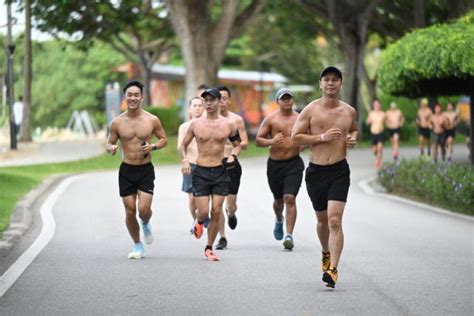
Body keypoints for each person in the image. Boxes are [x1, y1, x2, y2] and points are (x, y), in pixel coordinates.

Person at [291, 66, 358, 288]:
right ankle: (325, 252)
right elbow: (295, 138)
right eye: (327, 80)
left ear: (340, 84)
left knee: (334, 220)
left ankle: (333, 270)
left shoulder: (349, 111)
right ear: (320, 84)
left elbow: (354, 130)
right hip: (316, 172)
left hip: (339, 170)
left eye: (335, 80)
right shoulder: (310, 110)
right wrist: (322, 136)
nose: (331, 83)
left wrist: (352, 138)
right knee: (322, 221)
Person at [106, 80, 168, 259]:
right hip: (126, 170)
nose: (132, 98)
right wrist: (110, 148)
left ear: (142, 97)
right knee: (129, 209)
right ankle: (137, 245)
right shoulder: (117, 122)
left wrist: (153, 147)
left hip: (145, 169)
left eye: (136, 95)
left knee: (143, 209)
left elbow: (163, 139)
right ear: (125, 97)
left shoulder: (151, 120)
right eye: (129, 95)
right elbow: (110, 143)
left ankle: (146, 222)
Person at [179, 87, 241, 261]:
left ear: (219, 101)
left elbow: (238, 144)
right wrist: (185, 160)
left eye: (211, 100)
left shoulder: (228, 124)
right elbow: (182, 146)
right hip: (201, 172)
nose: (208, 103)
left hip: (220, 172)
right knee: (204, 212)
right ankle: (199, 222)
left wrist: (233, 156)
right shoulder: (196, 124)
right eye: (205, 100)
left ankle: (209, 248)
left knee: (216, 210)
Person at [256, 87, 304, 250]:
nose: (286, 100)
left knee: (289, 198)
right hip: (275, 165)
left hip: (294, 163)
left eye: (289, 97)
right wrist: (272, 142)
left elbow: (309, 136)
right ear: (277, 102)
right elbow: (258, 140)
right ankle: (278, 219)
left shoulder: (300, 118)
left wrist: (305, 144)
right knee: (278, 201)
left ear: (292, 100)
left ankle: (289, 235)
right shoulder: (271, 119)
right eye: (283, 98)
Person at [214, 85, 248, 250]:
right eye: (218, 98)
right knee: (217, 203)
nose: (221, 102)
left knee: (230, 204)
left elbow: (244, 142)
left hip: (232, 165)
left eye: (224, 98)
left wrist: (234, 151)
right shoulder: (208, 120)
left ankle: (232, 213)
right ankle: (222, 237)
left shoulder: (236, 120)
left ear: (229, 100)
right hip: (213, 166)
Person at [177, 97, 205, 232]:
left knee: (206, 195)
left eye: (200, 105)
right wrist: (185, 161)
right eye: (195, 105)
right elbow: (180, 147)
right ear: (190, 108)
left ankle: (204, 216)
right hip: (190, 164)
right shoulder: (184, 127)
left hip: (206, 164)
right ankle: (195, 219)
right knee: (192, 196)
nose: (198, 108)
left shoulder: (208, 125)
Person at [366, 99, 386, 169]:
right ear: (373, 106)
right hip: (373, 134)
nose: (376, 106)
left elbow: (386, 122)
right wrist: (369, 121)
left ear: (380, 105)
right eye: (375, 105)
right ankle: (378, 156)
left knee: (380, 148)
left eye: (378, 104)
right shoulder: (371, 113)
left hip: (381, 133)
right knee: (374, 150)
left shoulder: (383, 114)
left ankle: (378, 161)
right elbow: (367, 121)